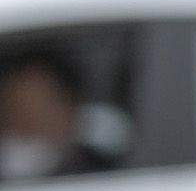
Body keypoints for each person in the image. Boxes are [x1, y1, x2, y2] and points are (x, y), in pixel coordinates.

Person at [0, 47, 115, 182]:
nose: (26, 128)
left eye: (40, 113)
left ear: (70, 111)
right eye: (15, 112)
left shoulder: (106, 177)